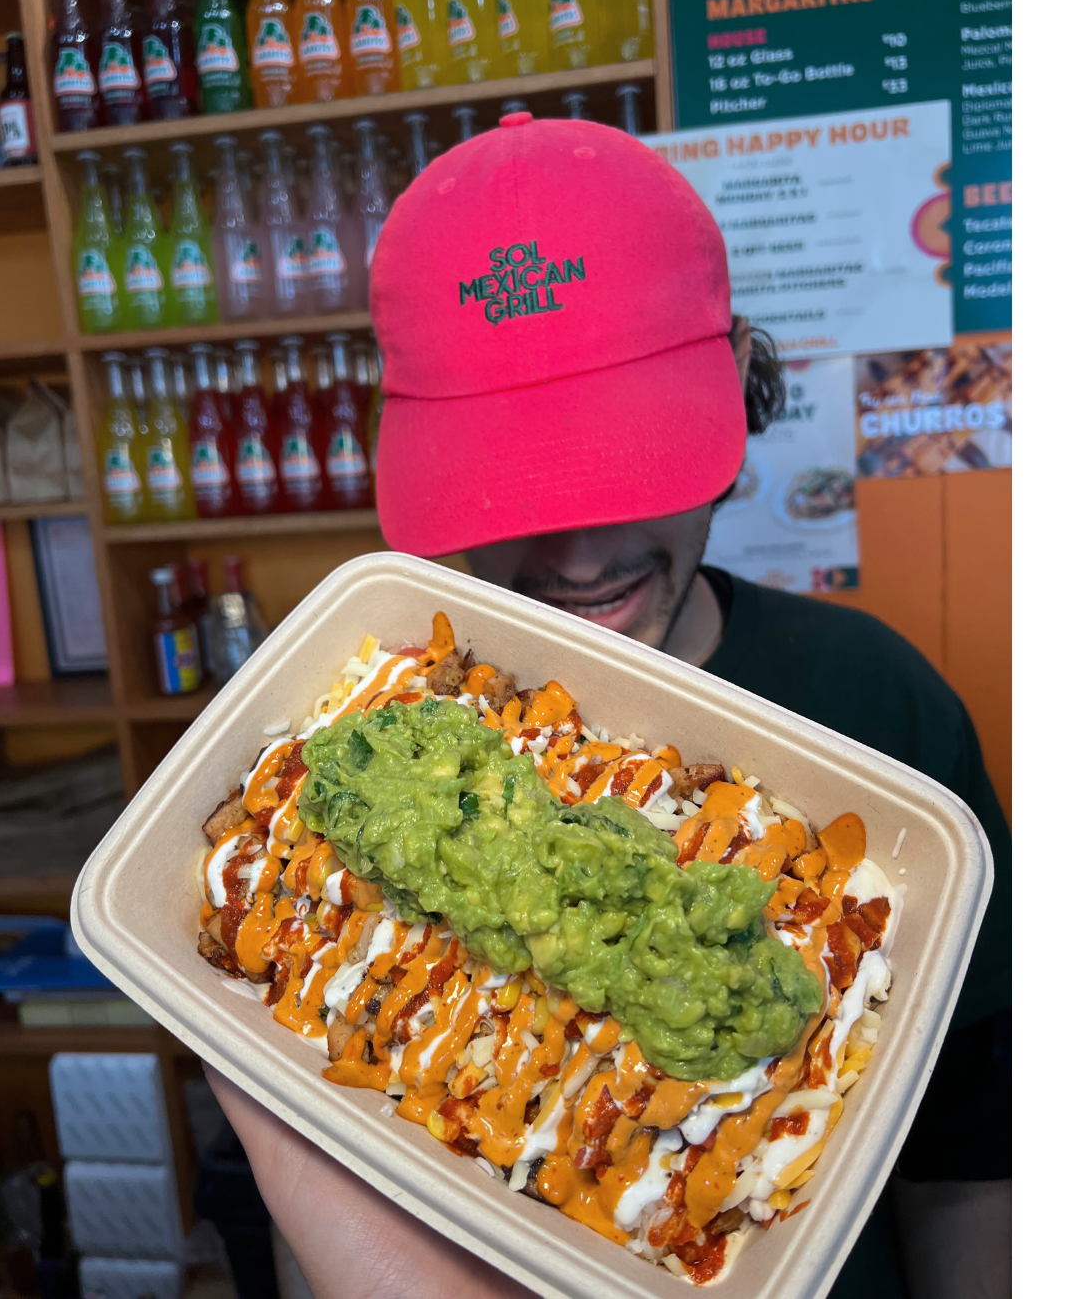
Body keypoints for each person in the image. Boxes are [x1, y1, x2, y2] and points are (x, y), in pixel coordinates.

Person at [211, 114, 1010, 1299]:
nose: (581, 553)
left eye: (628, 461)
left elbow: (974, 1163)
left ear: (743, 383)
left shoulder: (886, 704)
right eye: (512, 479)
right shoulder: (357, 733)